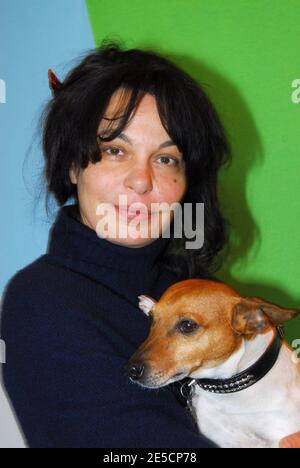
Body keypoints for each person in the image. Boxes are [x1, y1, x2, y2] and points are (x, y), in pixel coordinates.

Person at [1, 39, 298, 448]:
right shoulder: (44, 301)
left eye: (166, 159)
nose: (141, 180)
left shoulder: (193, 285)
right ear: (73, 164)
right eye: (115, 150)